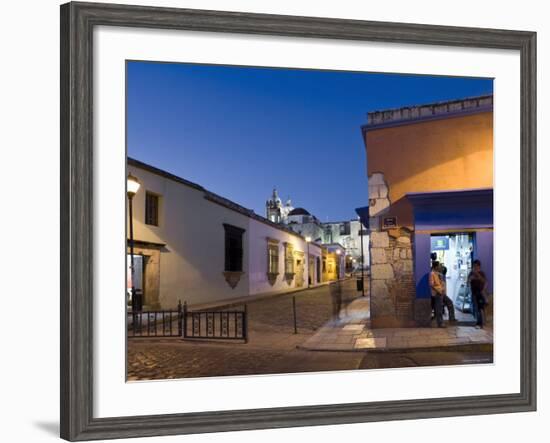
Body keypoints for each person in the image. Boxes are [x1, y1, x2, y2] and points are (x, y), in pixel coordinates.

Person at [468, 259, 488, 328]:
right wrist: (471, 278)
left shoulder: (482, 273)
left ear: (479, 266)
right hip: (474, 293)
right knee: (477, 308)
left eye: (476, 266)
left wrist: (477, 275)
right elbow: (468, 281)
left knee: (480, 308)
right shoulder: (471, 273)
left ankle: (480, 324)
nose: (475, 267)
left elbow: (484, 282)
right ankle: (480, 323)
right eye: (474, 266)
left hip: (480, 293)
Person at [429, 261, 445, 327]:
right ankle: (440, 323)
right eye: (438, 265)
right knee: (438, 309)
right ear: (436, 266)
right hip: (437, 293)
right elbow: (431, 284)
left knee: (440, 308)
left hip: (440, 292)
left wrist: (442, 289)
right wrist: (438, 291)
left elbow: (441, 283)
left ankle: (440, 322)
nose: (439, 267)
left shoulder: (438, 274)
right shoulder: (432, 274)